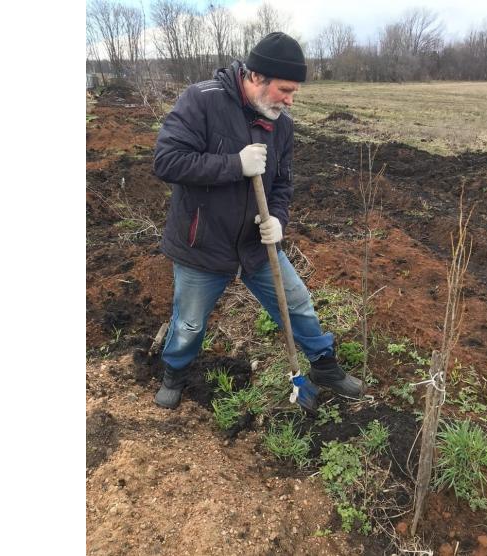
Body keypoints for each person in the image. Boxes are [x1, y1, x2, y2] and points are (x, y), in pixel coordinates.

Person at [151, 32, 365, 410]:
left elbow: (282, 182)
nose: (290, 99)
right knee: (189, 323)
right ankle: (175, 371)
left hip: (256, 244)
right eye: (285, 89)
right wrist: (235, 164)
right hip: (202, 242)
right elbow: (166, 161)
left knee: (298, 302)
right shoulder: (201, 101)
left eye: (294, 91)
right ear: (255, 77)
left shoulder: (281, 124)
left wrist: (278, 220)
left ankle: (324, 366)